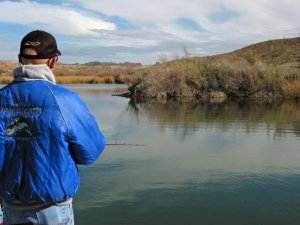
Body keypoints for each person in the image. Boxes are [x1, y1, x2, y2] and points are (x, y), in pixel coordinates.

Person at [0, 30, 106, 224]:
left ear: (19, 60)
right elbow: (91, 152)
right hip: (52, 212)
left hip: (9, 209)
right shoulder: (64, 100)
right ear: (53, 61)